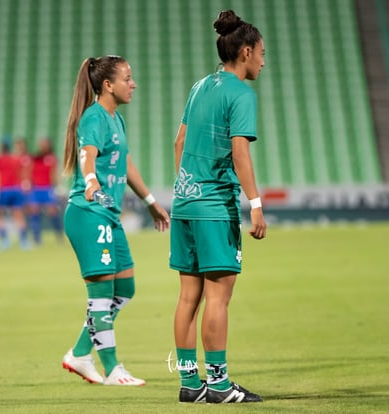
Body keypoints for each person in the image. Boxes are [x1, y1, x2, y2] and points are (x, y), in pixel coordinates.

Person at [170, 10, 267, 404]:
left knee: (187, 299)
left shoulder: (199, 87)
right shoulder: (241, 93)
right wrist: (256, 205)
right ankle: (221, 385)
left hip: (185, 204)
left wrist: (185, 189)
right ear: (245, 52)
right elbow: (240, 153)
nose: (263, 60)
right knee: (218, 299)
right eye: (261, 53)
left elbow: (179, 142)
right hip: (214, 207)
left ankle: (190, 384)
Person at [61, 55, 170, 386]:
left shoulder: (115, 119)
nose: (133, 83)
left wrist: (150, 202)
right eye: (127, 78)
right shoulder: (93, 119)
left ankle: (79, 354)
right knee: (101, 294)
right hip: (88, 213)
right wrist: (91, 181)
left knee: (125, 287)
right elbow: (86, 156)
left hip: (107, 215)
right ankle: (111, 368)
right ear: (108, 85)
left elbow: (126, 165)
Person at [0, 137, 30, 250]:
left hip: (4, 189)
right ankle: (24, 241)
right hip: (16, 189)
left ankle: (4, 239)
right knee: (18, 214)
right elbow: (23, 173)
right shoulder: (16, 158)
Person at [29, 137, 63, 244]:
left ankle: (59, 235)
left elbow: (54, 173)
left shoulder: (52, 158)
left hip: (48, 188)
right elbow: (30, 171)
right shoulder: (35, 158)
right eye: (41, 144)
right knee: (34, 211)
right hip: (35, 188)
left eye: (45, 144)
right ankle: (37, 238)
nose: (43, 146)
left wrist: (57, 186)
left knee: (52, 211)